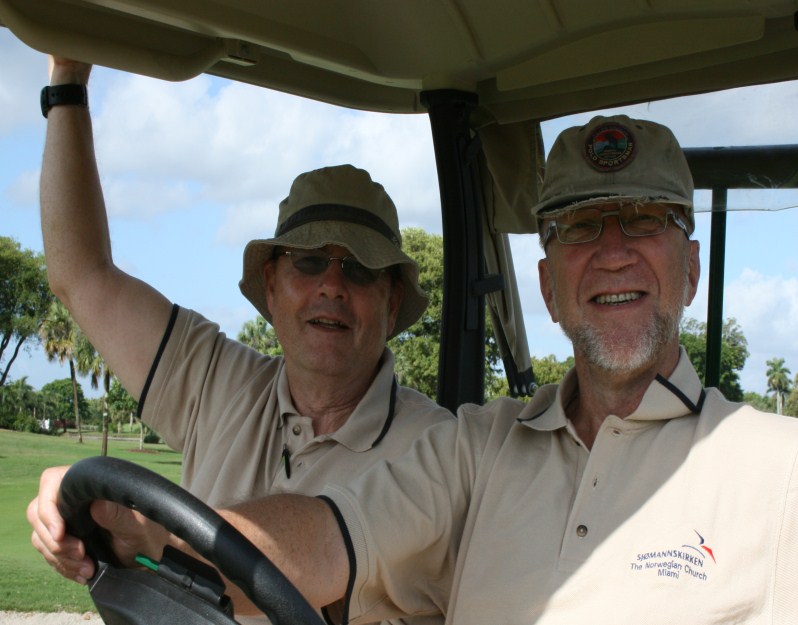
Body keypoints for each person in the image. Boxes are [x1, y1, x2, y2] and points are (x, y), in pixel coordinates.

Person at [32, 115, 798, 624]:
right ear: (546, 285)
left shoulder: (776, 468)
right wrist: (128, 519)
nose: (613, 249)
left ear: (692, 269)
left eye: (646, 220)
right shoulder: (480, 446)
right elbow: (328, 534)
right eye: (580, 226)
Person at [28, 57, 452, 623]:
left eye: (358, 270)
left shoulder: (440, 451)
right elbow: (79, 273)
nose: (331, 285)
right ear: (272, 285)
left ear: (392, 300)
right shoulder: (217, 381)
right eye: (308, 261)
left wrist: (144, 533)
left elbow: (314, 553)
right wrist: (67, 83)